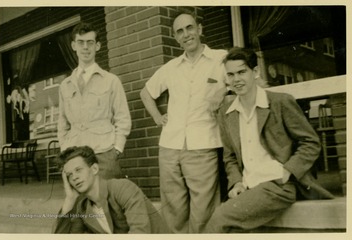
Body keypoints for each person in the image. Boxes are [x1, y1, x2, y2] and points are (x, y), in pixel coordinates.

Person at [204, 47, 334, 233]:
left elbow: (311, 142)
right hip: (249, 187)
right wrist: (237, 182)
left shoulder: (280, 102)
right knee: (234, 230)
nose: (236, 79)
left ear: (255, 72)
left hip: (278, 184)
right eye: (231, 75)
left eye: (242, 72)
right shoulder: (227, 114)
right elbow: (230, 157)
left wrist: (288, 170)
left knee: (220, 217)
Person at [140, 9, 227, 233]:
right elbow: (146, 93)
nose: (186, 34)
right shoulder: (171, 68)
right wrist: (157, 117)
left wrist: (225, 96)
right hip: (170, 145)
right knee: (172, 212)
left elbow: (249, 81)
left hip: (203, 144)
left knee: (204, 211)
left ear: (199, 29)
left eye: (189, 28)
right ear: (176, 37)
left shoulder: (221, 59)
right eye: (179, 31)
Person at [58, 22, 131, 179]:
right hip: (74, 156)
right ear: (73, 45)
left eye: (90, 42)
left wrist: (116, 149)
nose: (85, 47)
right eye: (81, 42)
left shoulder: (111, 81)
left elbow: (123, 118)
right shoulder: (65, 85)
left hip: (104, 154)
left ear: (97, 46)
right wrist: (64, 148)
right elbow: (62, 123)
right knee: (80, 202)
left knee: (106, 200)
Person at [53, 146, 169, 233]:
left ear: (94, 169)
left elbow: (140, 232)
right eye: (69, 175)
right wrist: (70, 199)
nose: (74, 177)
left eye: (78, 170)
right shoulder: (83, 207)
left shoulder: (122, 188)